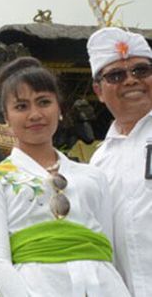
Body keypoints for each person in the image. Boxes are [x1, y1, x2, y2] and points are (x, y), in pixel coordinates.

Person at [0, 57, 129, 296]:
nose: (35, 114)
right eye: (21, 106)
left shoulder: (94, 176)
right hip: (37, 287)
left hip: (104, 285)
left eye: (44, 102)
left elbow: (111, 248)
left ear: (59, 109)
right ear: (6, 116)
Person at [87, 27, 152, 295]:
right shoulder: (98, 163)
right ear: (99, 91)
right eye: (116, 75)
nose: (131, 80)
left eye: (141, 70)